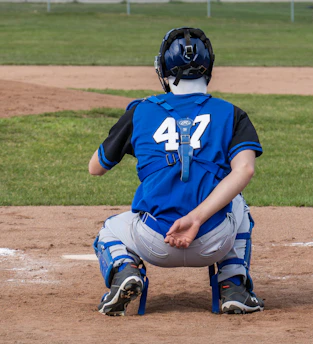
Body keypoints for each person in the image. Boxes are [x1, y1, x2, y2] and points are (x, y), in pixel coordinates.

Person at [88, 27, 264, 316]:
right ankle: (233, 287)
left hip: (154, 240)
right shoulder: (231, 113)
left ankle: (125, 270)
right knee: (238, 204)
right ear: (209, 67)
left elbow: (96, 168)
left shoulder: (141, 110)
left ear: (163, 69)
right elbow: (244, 170)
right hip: (213, 240)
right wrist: (195, 218)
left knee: (110, 229)